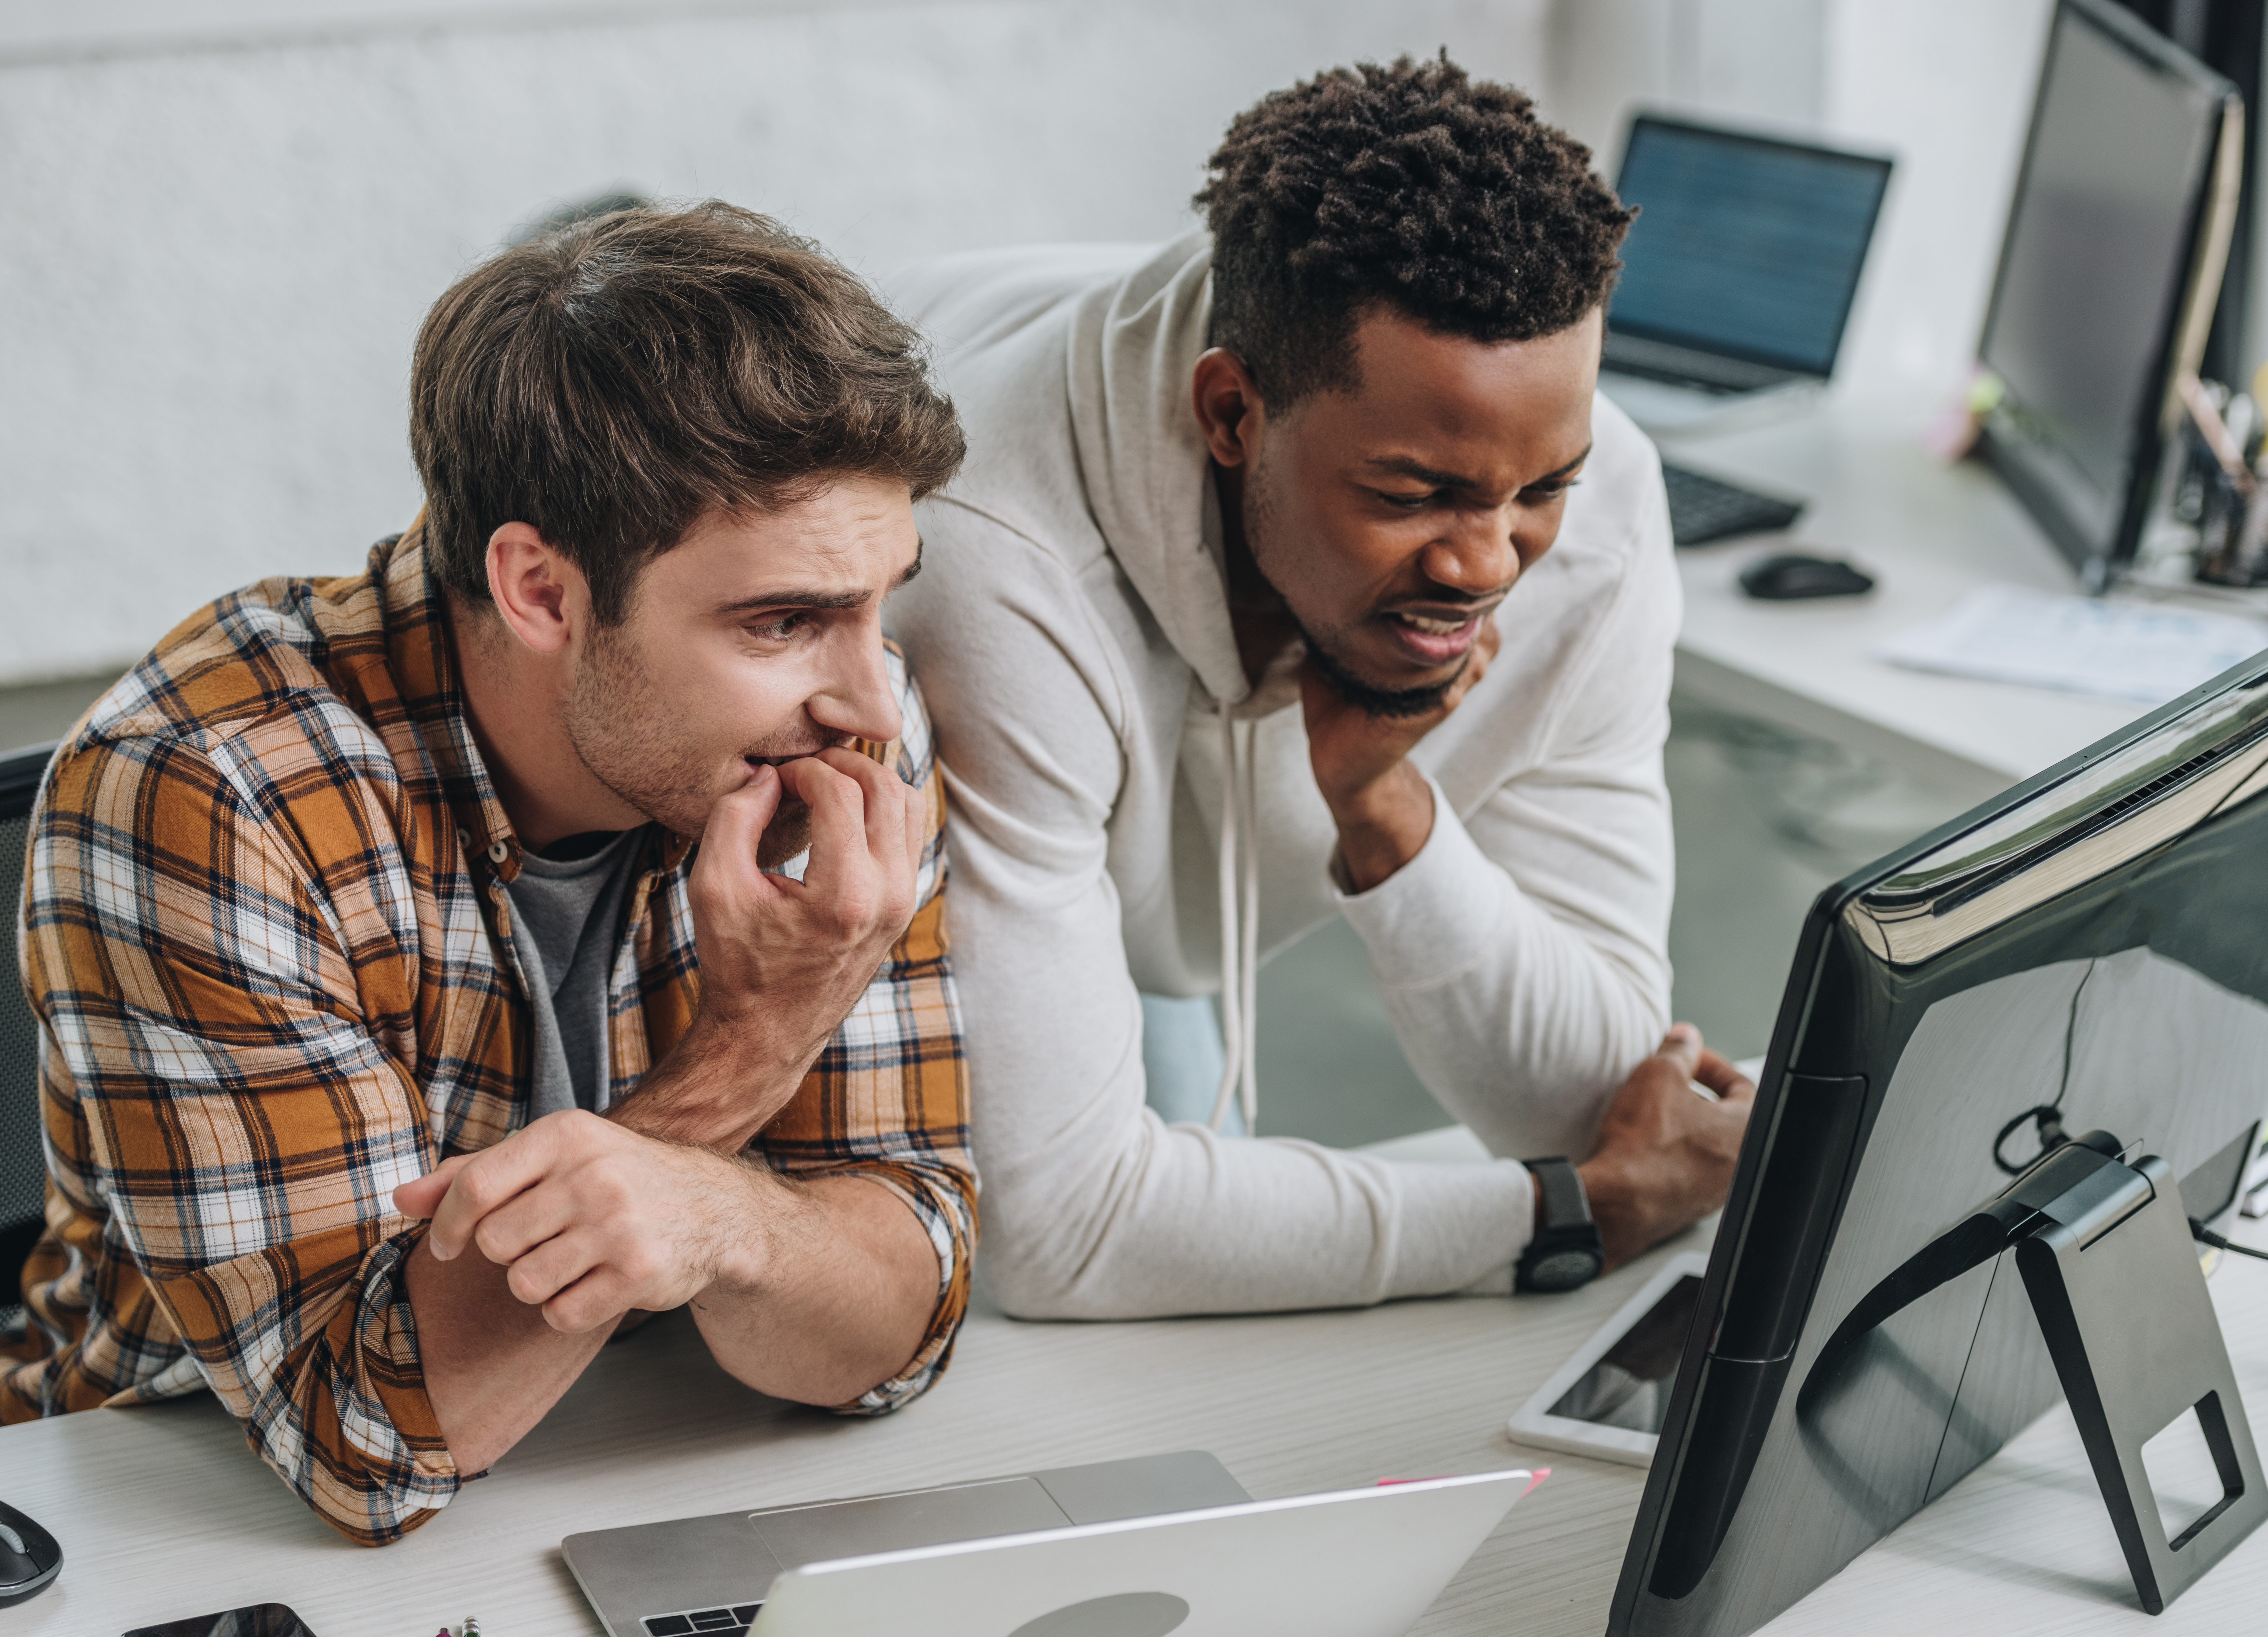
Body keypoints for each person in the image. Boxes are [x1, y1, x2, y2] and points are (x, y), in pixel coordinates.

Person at [2, 203, 974, 1545]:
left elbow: (901, 1320)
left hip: (639, 1462)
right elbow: (364, 1435)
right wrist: (755, 1046)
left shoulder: (827, 723)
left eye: (882, 601)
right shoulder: (213, 788)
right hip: (164, 1516)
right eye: (783, 620)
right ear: (540, 590)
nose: (871, 697)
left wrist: (730, 1228)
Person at [886, 55, 1755, 1321]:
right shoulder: (990, 562)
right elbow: (1059, 1233)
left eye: (1540, 489)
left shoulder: (1605, 506)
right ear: (1232, 413)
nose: (1486, 566)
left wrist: (1387, 812)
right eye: (1414, 497)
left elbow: (1598, 1104)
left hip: (1126, 873)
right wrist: (1575, 1214)